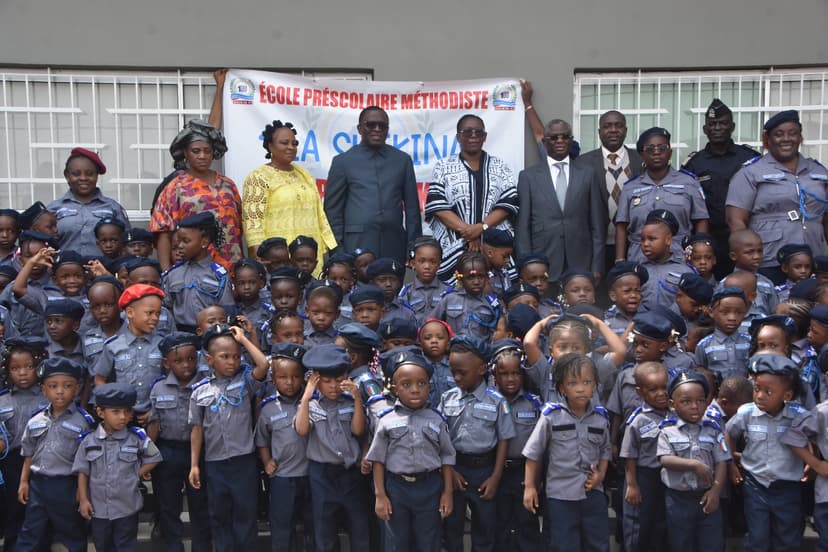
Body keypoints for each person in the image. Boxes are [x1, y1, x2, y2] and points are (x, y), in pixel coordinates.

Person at [366, 347, 455, 552]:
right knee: (397, 542)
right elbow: (378, 460)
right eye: (406, 384)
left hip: (430, 487)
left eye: (421, 384)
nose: (415, 389)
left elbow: (447, 457)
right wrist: (380, 495)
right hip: (397, 488)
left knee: (429, 540)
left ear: (429, 388)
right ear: (395, 388)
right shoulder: (386, 420)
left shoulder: (436, 419)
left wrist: (447, 493)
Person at [188, 324, 268, 551]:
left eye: (236, 356)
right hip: (215, 463)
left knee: (245, 514)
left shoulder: (245, 382)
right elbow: (197, 429)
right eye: (224, 356)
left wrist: (243, 340)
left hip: (243, 461)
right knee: (219, 515)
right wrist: (194, 464)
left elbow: (263, 365)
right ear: (209, 359)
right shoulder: (199, 391)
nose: (232, 361)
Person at [522, 353, 611, 552]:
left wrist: (601, 476)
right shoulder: (551, 416)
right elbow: (533, 454)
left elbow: (605, 450)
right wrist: (530, 488)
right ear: (561, 388)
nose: (581, 388)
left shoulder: (600, 418)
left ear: (595, 385)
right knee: (563, 544)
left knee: (598, 543)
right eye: (573, 383)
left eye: (587, 382)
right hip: (560, 496)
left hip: (592, 494)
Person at [726, 109, 828, 284]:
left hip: (813, 260)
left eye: (792, 133)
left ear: (800, 138)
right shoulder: (750, 173)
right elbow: (735, 221)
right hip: (769, 260)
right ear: (767, 140)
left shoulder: (819, 171)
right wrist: (748, 260)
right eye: (779, 134)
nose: (786, 139)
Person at [727, 354, 813, 552]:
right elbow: (728, 434)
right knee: (757, 536)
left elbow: (812, 438)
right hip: (755, 485)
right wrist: (731, 463)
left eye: (768, 391)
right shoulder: (746, 413)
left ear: (787, 395)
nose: (759, 396)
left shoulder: (798, 416)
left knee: (787, 536)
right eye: (757, 389)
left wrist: (811, 462)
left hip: (788, 486)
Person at [439, 335, 516, 552]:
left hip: (485, 470)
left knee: (485, 529)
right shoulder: (447, 399)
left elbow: (504, 440)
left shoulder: (497, 401)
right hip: (455, 470)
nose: (455, 377)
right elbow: (441, 439)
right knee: (452, 528)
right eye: (452, 371)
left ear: (482, 368)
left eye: (461, 372)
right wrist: (451, 471)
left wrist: (495, 477)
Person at [294, 344, 370, 552]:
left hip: (350, 474)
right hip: (322, 475)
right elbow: (301, 430)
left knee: (359, 526)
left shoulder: (350, 401)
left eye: (338, 380)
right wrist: (306, 397)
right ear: (316, 381)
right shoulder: (312, 405)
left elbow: (358, 430)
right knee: (324, 529)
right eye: (326, 382)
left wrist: (356, 399)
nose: (333, 387)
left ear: (346, 376)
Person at [424, 114, 518, 280]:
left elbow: (507, 204)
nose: (473, 136)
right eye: (467, 132)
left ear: (485, 136)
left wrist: (480, 228)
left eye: (478, 132)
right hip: (455, 244)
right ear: (458, 137)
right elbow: (438, 206)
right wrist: (469, 232)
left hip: (495, 246)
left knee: (496, 293)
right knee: (455, 295)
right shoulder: (444, 167)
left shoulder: (500, 166)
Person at [15, 357, 94, 552]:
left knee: (72, 532)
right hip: (38, 484)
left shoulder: (83, 423)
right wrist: (24, 482)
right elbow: (28, 453)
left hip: (66, 484)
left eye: (67, 386)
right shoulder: (35, 420)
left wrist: (81, 492)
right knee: (30, 531)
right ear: (44, 390)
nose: (60, 391)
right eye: (53, 386)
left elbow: (86, 461)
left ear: (76, 389)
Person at [324, 106, 421, 264]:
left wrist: (413, 247)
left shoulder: (402, 161)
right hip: (355, 244)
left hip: (394, 244)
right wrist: (337, 249)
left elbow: (412, 210)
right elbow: (332, 211)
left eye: (382, 126)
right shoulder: (343, 161)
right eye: (371, 125)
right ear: (360, 128)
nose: (377, 129)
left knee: (391, 288)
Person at [515, 119, 607, 283]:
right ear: (544, 142)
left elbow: (597, 225)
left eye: (565, 137)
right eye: (554, 137)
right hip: (542, 262)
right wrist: (526, 265)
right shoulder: (528, 176)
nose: (560, 141)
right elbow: (523, 227)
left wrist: (597, 266)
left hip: (581, 262)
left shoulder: (588, 174)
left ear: (570, 140)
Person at [74, 383, 162, 552]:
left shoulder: (136, 438)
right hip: (99, 509)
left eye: (127, 411)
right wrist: (84, 500)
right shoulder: (88, 441)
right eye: (116, 412)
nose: (123, 417)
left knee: (126, 546)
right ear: (100, 412)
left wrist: (137, 474)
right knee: (103, 546)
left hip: (127, 507)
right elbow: (83, 471)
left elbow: (155, 457)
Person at [147, 332, 213, 552]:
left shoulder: (206, 385)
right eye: (178, 361)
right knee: (168, 505)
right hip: (168, 451)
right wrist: (148, 455)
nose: (186, 365)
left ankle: (201, 547)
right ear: (166, 363)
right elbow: (155, 424)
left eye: (191, 358)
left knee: (199, 504)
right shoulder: (158, 388)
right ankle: (174, 547)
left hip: (198, 452)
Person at [242, 120, 337, 271]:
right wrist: (257, 255)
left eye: (294, 143)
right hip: (278, 256)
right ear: (270, 146)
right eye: (284, 143)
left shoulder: (304, 174)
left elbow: (319, 215)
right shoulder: (258, 177)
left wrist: (328, 246)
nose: (290, 147)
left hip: (309, 255)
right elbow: (253, 221)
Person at [682, 99, 760, 278]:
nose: (717, 128)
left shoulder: (749, 159)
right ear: (705, 129)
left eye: (722, 123)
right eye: (712, 124)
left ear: (732, 126)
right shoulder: (694, 163)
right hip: (708, 239)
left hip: (745, 236)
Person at [150, 119, 240, 271]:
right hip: (191, 270)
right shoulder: (175, 187)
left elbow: (238, 229)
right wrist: (167, 274)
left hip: (230, 268)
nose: (202, 156)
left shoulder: (228, 185)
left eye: (207, 151)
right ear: (186, 152)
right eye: (196, 151)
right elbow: (163, 233)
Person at [658, 371, 730, 552]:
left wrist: (715, 492)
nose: (694, 406)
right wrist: (694, 465)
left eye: (700, 400)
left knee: (712, 543)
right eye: (686, 402)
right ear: (672, 405)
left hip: (707, 496)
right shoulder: (667, 430)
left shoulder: (712, 428)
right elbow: (664, 459)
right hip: (678, 499)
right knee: (680, 543)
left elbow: (722, 461)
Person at [615, 127, 710, 264]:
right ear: (641, 154)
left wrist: (699, 253)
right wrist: (620, 260)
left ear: (670, 153)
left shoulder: (689, 183)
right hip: (640, 259)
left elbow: (701, 219)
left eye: (662, 148)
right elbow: (622, 226)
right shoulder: (630, 187)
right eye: (650, 149)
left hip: (679, 256)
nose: (656, 153)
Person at [255, 343, 312, 552]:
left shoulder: (312, 403)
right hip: (282, 476)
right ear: (273, 379)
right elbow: (261, 439)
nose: (289, 382)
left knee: (311, 526)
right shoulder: (268, 408)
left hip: (310, 474)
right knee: (282, 526)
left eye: (296, 376)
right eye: (282, 377)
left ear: (304, 377)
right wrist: (266, 460)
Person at [576, 110, 645, 273]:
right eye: (607, 126)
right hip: (596, 246)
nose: (613, 130)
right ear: (599, 132)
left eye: (618, 125)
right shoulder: (582, 163)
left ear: (626, 130)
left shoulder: (641, 161)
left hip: (634, 244)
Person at [0, 337, 49, 550]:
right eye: (15, 368)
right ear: (7, 371)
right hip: (12, 462)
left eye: (28, 367)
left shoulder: (47, 398)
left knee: (39, 509)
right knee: (14, 508)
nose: (22, 373)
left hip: (41, 461)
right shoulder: (2, 400)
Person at [619, 362, 669, 552]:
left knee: (660, 525)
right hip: (643, 476)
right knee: (639, 525)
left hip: (666, 476)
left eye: (664, 387)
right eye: (653, 389)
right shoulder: (638, 420)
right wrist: (632, 485)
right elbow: (629, 455)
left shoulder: (674, 413)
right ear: (640, 392)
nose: (661, 393)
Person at [47, 148, 131, 258]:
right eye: (76, 174)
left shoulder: (113, 208)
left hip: (104, 271)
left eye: (90, 174)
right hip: (66, 272)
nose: (83, 178)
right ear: (67, 176)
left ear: (97, 176)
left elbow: (126, 243)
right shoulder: (54, 209)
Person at [161, 212, 234, 332]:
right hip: (180, 336)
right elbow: (166, 309)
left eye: (186, 241)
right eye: (178, 241)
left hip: (211, 335)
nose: (179, 246)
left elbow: (227, 311)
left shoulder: (218, 275)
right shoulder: (173, 274)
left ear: (204, 242)